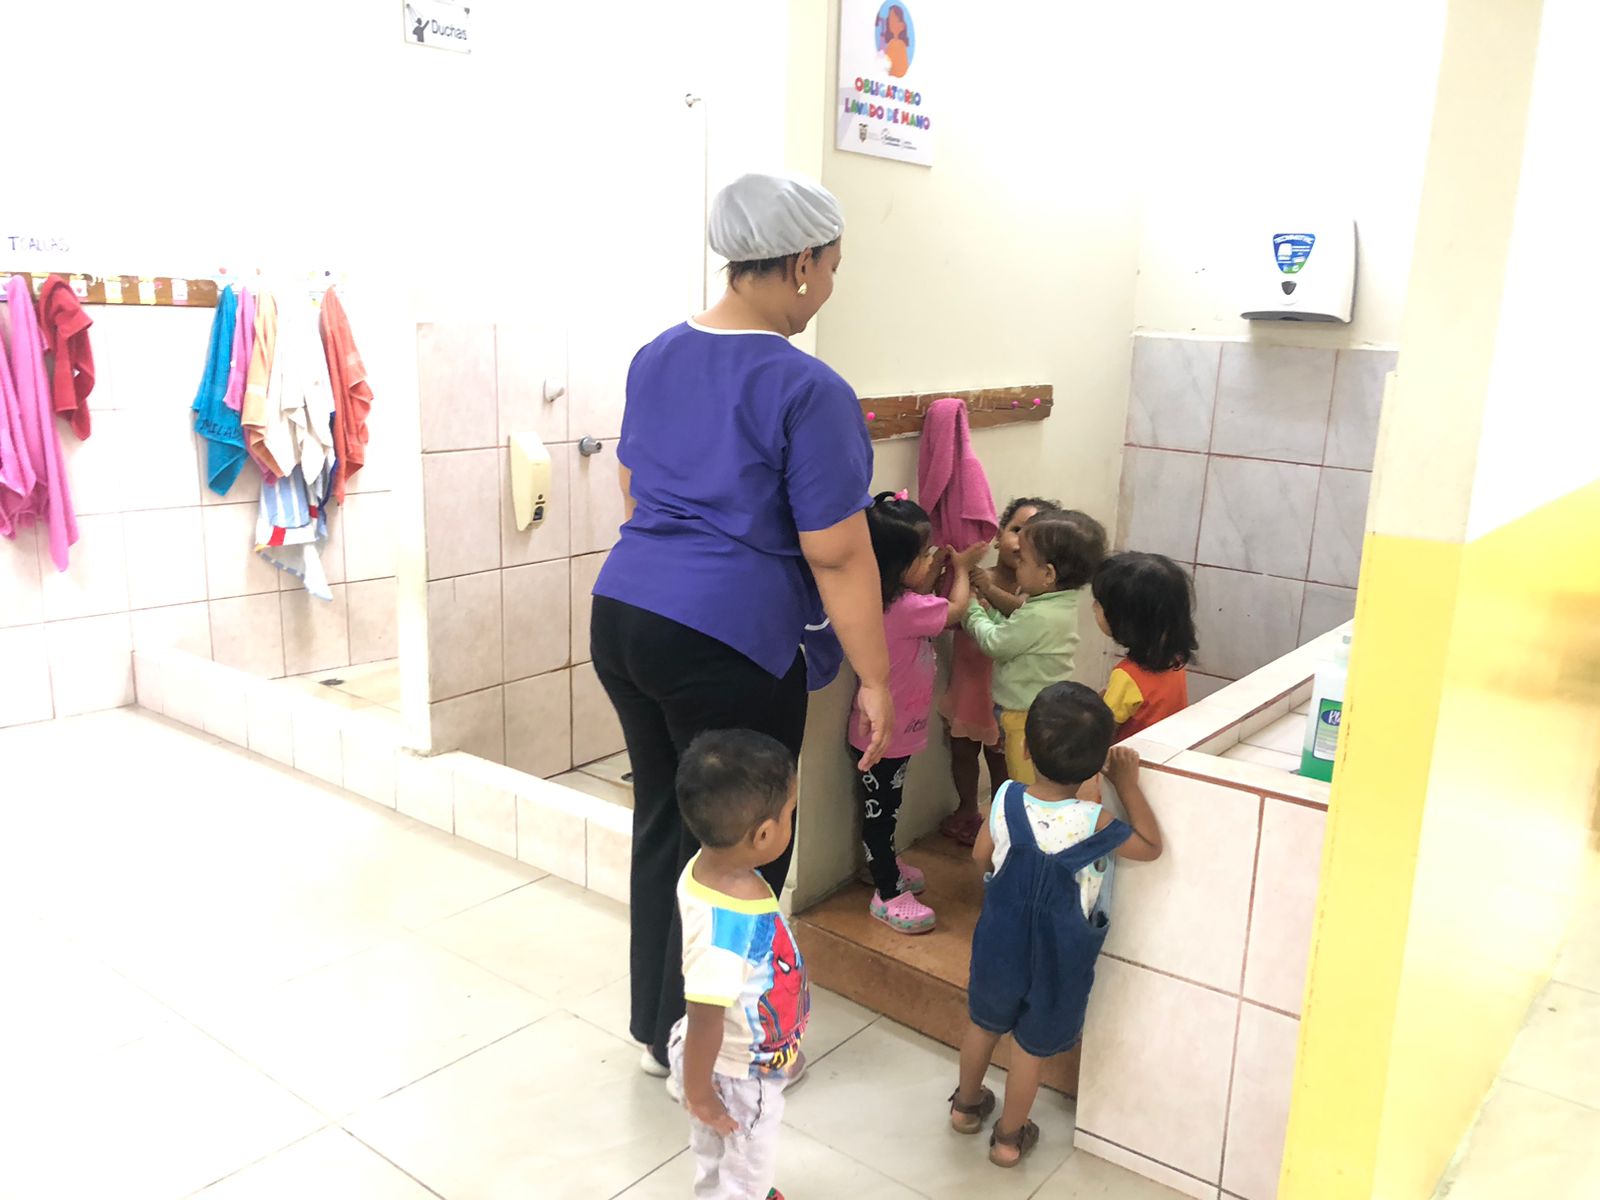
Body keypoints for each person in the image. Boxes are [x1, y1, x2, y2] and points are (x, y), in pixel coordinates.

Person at [590, 172, 892, 1080]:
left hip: (626, 613)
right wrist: (877, 677)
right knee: (745, 846)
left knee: (666, 818)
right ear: (801, 262)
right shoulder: (808, 388)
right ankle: (729, 1052)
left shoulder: (656, 355)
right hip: (725, 640)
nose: (830, 285)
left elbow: (633, 486)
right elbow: (838, 553)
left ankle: (660, 1029)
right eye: (832, 268)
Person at [948, 683, 1163, 1168]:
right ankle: (1008, 1140)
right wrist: (1127, 785)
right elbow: (1151, 846)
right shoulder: (1096, 822)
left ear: (1025, 748)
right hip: (1059, 962)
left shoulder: (1005, 798)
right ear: (1097, 765)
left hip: (999, 944)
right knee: (1029, 1050)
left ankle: (965, 1108)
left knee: (983, 1025)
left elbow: (981, 857)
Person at [668, 730, 808, 1200]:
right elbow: (705, 1015)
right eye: (790, 813)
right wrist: (700, 1092)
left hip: (733, 1056)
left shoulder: (711, 869)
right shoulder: (724, 933)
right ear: (763, 835)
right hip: (736, 1075)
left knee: (725, 1154)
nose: (791, 822)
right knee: (746, 1158)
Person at [849, 491, 988, 934]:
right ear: (898, 564)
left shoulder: (883, 599)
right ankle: (887, 892)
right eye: (924, 555)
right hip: (883, 736)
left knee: (883, 810)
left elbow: (922, 593)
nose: (932, 560)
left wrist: (932, 569)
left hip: (888, 732)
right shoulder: (906, 609)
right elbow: (957, 611)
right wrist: (961, 570)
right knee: (882, 813)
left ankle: (880, 864)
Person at [940, 496, 1060, 846]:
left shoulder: (1035, 593)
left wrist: (987, 595)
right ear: (997, 536)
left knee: (1002, 760)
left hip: (1006, 692)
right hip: (969, 683)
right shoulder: (979, 578)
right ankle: (967, 808)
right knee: (962, 751)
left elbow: (1019, 615)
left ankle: (1001, 816)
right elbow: (949, 611)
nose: (1021, 541)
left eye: (1034, 535)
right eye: (1016, 530)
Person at [963, 510, 1107, 785]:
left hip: (1025, 717)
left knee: (1026, 782)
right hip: (1036, 709)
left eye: (1023, 560)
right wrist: (990, 610)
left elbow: (996, 643)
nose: (1016, 563)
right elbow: (1015, 632)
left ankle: (1028, 812)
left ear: (1048, 574)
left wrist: (971, 609)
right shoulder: (1058, 603)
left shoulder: (1040, 614)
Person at [1093, 551, 1198, 741]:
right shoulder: (1175, 659)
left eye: (1099, 603)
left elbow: (1102, 733)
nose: (1093, 606)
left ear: (1124, 620)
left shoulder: (1126, 676)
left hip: (1131, 756)